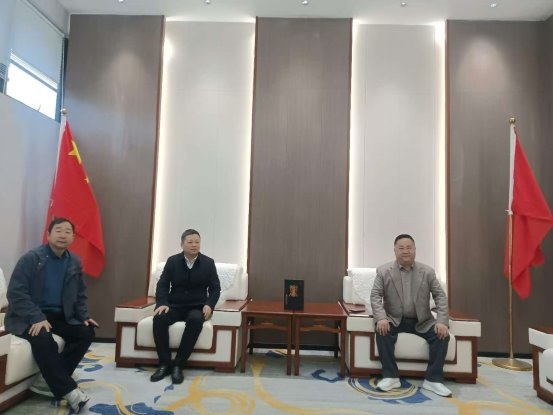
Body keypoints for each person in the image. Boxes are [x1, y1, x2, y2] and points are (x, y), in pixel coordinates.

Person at [5, 217, 98, 413]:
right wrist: (36, 317)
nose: (63, 235)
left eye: (67, 231)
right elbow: (16, 293)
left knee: (86, 332)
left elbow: (79, 293)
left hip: (58, 315)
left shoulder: (74, 261)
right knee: (43, 337)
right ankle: (69, 391)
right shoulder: (31, 258)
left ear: (73, 238)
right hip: (28, 316)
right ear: (48, 235)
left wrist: (83, 315)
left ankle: (48, 380)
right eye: (58, 230)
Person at [370, 234, 452, 397]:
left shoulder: (427, 272)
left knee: (442, 335)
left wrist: (442, 321)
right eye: (401, 248)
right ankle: (391, 377)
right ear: (395, 251)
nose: (405, 251)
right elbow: (375, 295)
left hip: (422, 321)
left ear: (415, 250)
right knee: (382, 330)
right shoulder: (383, 271)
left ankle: (433, 380)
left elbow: (440, 296)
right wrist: (381, 318)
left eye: (409, 248)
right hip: (394, 319)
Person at [150, 229, 221, 384]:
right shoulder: (172, 261)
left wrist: (209, 304)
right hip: (174, 305)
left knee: (196, 320)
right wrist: (162, 303)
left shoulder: (208, 263)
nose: (194, 245)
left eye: (197, 242)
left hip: (197, 306)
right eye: (190, 242)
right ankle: (164, 364)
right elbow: (162, 285)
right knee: (159, 318)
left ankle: (178, 365)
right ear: (182, 244)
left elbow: (215, 288)